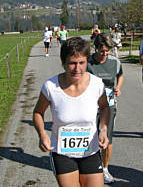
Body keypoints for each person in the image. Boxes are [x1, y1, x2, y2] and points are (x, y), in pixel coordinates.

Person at [33, 37, 110, 187]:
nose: (77, 69)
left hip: (90, 152)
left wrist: (103, 129)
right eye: (72, 63)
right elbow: (38, 112)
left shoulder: (97, 84)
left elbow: (105, 107)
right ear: (63, 63)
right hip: (62, 154)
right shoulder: (50, 87)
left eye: (82, 63)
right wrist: (42, 134)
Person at [86, 33, 124, 184]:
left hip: (108, 101)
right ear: (95, 49)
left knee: (106, 137)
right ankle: (88, 166)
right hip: (90, 101)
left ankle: (105, 168)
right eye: (102, 51)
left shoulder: (114, 62)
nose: (105, 54)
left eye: (107, 50)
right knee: (90, 135)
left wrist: (118, 88)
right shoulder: (87, 63)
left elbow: (120, 75)